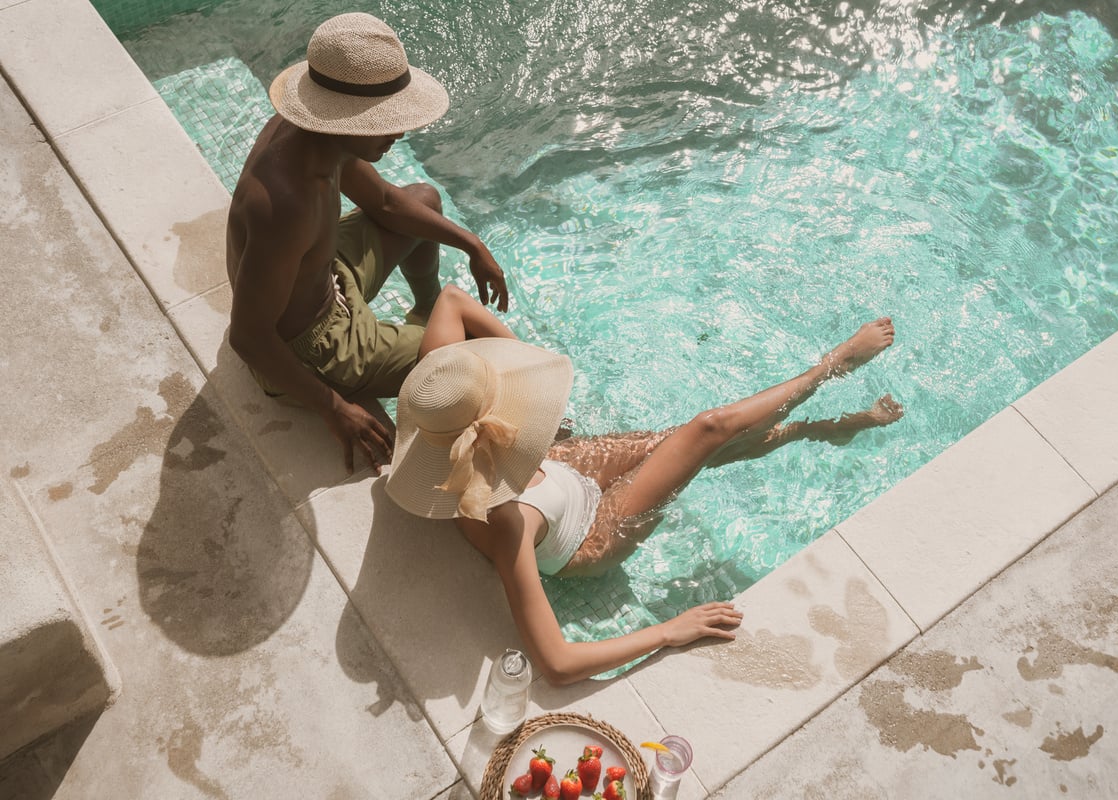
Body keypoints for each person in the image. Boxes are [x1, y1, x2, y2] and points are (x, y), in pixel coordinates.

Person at [385, 318, 903, 685]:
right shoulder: (510, 520)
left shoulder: (442, 405)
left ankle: (815, 430)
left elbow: (451, 300)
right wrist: (668, 631)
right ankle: (830, 369)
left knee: (690, 446)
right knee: (705, 431)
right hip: (588, 534)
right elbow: (557, 664)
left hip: (561, 471)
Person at [225, 12, 509, 474]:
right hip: (318, 346)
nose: (399, 132)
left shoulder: (319, 138)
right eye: (385, 121)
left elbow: (388, 204)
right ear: (346, 118)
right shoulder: (286, 203)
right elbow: (249, 336)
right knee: (475, 356)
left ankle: (426, 309)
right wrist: (333, 407)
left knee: (425, 202)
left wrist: (472, 244)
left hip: (327, 275)